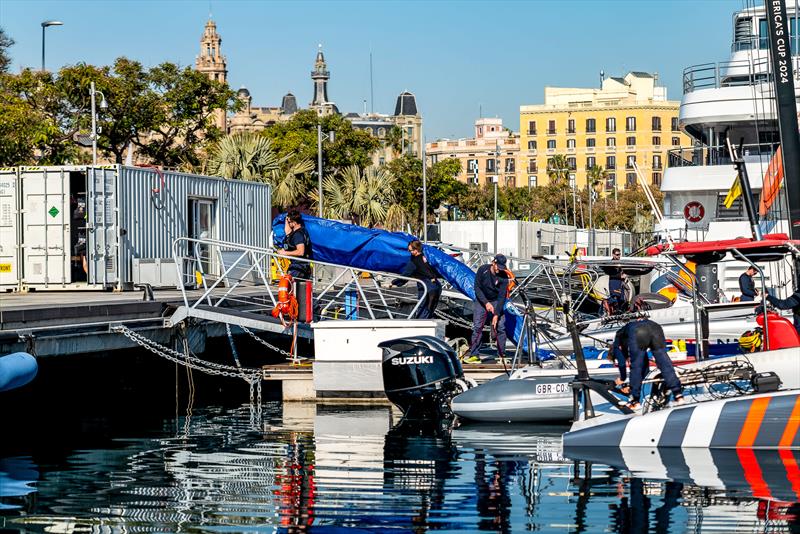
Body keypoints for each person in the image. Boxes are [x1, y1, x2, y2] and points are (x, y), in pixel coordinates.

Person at [611, 308, 684, 410]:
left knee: (636, 367)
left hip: (638, 332)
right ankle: (678, 394)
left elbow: (623, 363)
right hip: (655, 327)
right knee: (664, 362)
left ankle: (635, 401)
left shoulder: (617, 340)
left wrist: (622, 378)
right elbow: (644, 363)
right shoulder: (628, 328)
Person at [466, 254, 511, 363]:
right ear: (493, 263)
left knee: (501, 327)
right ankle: (474, 355)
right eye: (497, 267)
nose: (499, 270)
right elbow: (477, 288)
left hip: (496, 300)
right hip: (482, 300)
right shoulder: (483, 270)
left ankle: (501, 355)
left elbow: (502, 297)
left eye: (501, 267)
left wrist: (496, 314)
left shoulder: (504, 276)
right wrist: (486, 303)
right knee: (478, 326)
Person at [393, 240, 442, 319]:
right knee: (430, 309)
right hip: (436, 286)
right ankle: (427, 324)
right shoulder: (426, 257)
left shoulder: (414, 262)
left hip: (426, 287)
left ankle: (421, 324)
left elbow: (406, 274)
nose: (409, 252)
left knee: (423, 307)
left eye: (411, 250)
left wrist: (394, 283)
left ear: (416, 250)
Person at [276, 210, 313, 279]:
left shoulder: (298, 235)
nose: (288, 223)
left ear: (294, 223)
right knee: (292, 287)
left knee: (289, 287)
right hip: (298, 266)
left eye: (289, 222)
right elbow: (287, 232)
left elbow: (300, 252)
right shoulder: (295, 232)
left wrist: (285, 253)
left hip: (299, 267)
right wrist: (287, 220)